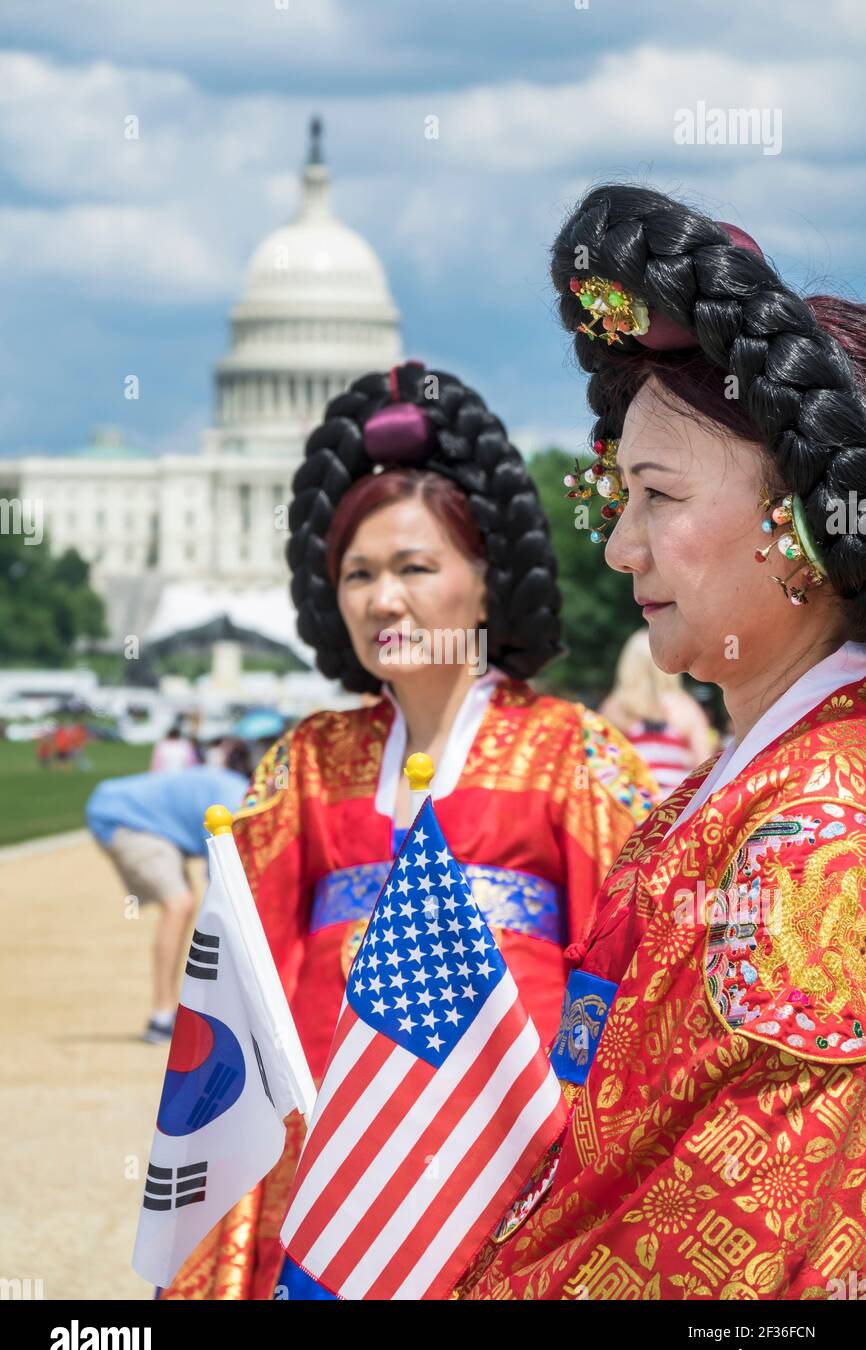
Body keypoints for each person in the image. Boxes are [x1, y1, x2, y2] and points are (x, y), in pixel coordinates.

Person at [159, 359, 656, 1299]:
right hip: (322, 1174)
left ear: (484, 580)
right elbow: (242, 979)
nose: (383, 599)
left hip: (510, 1164)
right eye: (358, 573)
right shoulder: (303, 761)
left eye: (416, 567)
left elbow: (625, 981)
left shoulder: (572, 752)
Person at [456, 184, 866, 1300]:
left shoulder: (820, 833)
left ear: (796, 521)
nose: (618, 549)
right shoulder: (747, 786)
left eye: (654, 495)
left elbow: (705, 1252)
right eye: (614, 495)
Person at [86, 763, 250, 1043]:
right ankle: (161, 1016)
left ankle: (175, 1010)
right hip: (123, 820)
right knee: (180, 904)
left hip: (145, 823)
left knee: (185, 904)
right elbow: (223, 885)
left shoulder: (242, 794)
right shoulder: (235, 809)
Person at [601, 627, 713, 794]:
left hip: (634, 806)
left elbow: (602, 765)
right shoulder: (686, 708)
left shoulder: (615, 708)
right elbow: (704, 768)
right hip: (675, 809)